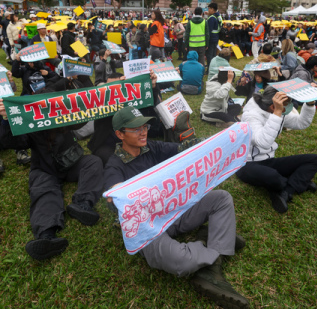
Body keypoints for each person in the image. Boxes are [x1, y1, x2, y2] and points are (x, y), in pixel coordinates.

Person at [103, 107, 249, 309]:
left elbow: (187, 151)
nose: (143, 131)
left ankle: (210, 265)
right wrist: (118, 193)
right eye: (135, 129)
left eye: (144, 126)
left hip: (174, 211)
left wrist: (193, 136)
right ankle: (216, 243)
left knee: (221, 199)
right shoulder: (114, 165)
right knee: (182, 261)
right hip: (149, 229)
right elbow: (113, 194)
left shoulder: (151, 147)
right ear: (120, 134)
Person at [0, 91, 104, 261]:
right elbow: (13, 142)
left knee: (94, 162)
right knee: (44, 190)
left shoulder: (65, 116)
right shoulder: (29, 122)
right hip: (45, 169)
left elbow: (82, 118)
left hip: (72, 162)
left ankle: (83, 205)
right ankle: (47, 236)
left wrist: (75, 100)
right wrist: (6, 119)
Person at [237, 86, 317, 214]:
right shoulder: (251, 116)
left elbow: (301, 123)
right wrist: (277, 113)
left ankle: (286, 190)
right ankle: (297, 182)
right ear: (273, 106)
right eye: (287, 105)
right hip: (247, 164)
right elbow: (263, 142)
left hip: (269, 161)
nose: (290, 108)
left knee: (314, 160)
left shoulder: (278, 111)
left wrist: (310, 103)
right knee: (272, 176)